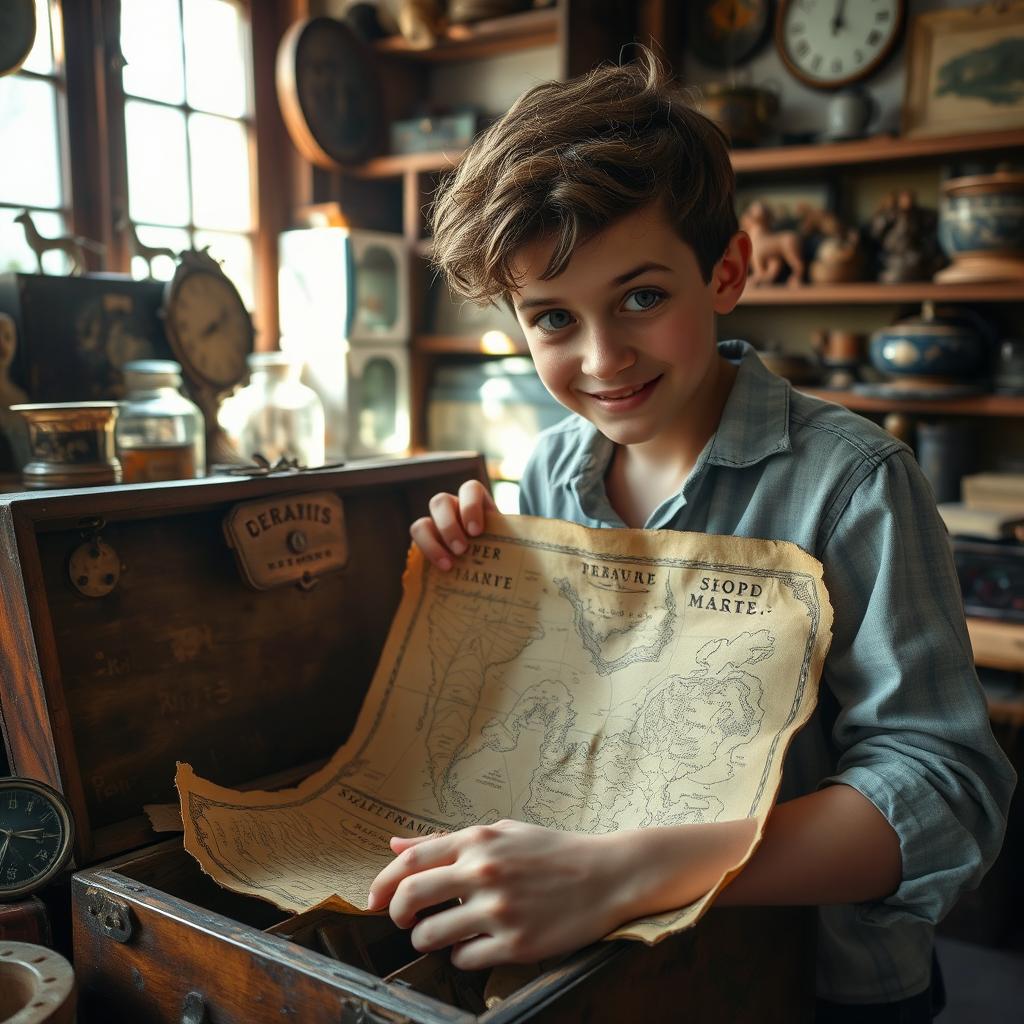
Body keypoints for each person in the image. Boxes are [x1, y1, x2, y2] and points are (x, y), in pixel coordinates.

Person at [365, 51, 1016, 1021]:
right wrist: (474, 589)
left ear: (728, 269)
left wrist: (626, 871)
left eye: (640, 297)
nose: (601, 358)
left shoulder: (853, 483)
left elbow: (945, 787)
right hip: (627, 971)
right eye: (552, 318)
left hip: (817, 984)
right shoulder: (547, 471)